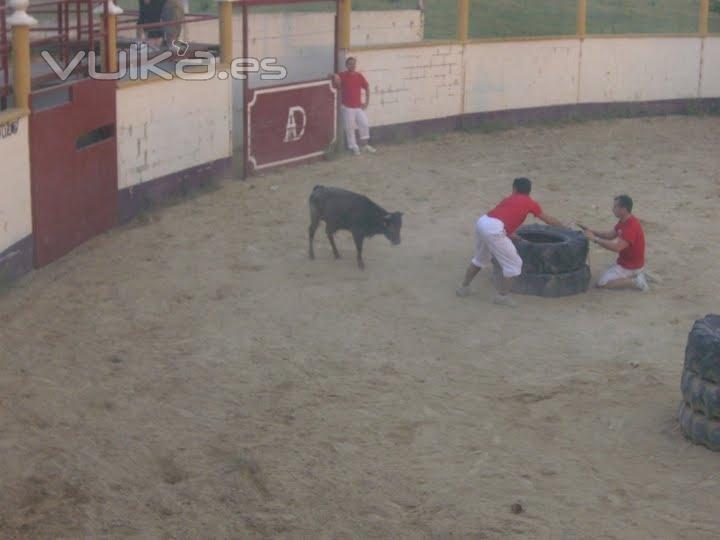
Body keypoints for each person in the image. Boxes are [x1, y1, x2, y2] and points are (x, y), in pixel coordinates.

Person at [456, 177, 568, 307]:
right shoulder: (531, 203)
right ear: (529, 191)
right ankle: (502, 297)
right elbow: (549, 220)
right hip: (494, 229)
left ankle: (464, 288)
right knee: (514, 264)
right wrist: (565, 229)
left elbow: (501, 218)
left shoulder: (508, 199)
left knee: (480, 258)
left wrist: (510, 234)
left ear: (514, 189)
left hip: (483, 222)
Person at [580, 195, 649, 292]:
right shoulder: (625, 221)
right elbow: (610, 235)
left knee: (602, 283)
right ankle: (637, 275)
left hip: (629, 267)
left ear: (624, 209)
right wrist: (591, 231)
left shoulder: (631, 226)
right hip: (630, 263)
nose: (613, 209)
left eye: (615, 207)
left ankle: (635, 282)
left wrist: (595, 239)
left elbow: (617, 247)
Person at [330, 57, 376, 156]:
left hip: (358, 106)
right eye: (350, 64)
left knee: (364, 124)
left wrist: (366, 102)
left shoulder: (359, 76)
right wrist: (334, 75)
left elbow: (367, 87)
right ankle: (353, 147)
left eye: (354, 64)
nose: (353, 65)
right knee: (349, 128)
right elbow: (332, 77)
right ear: (347, 65)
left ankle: (364, 145)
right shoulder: (343, 75)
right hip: (347, 107)